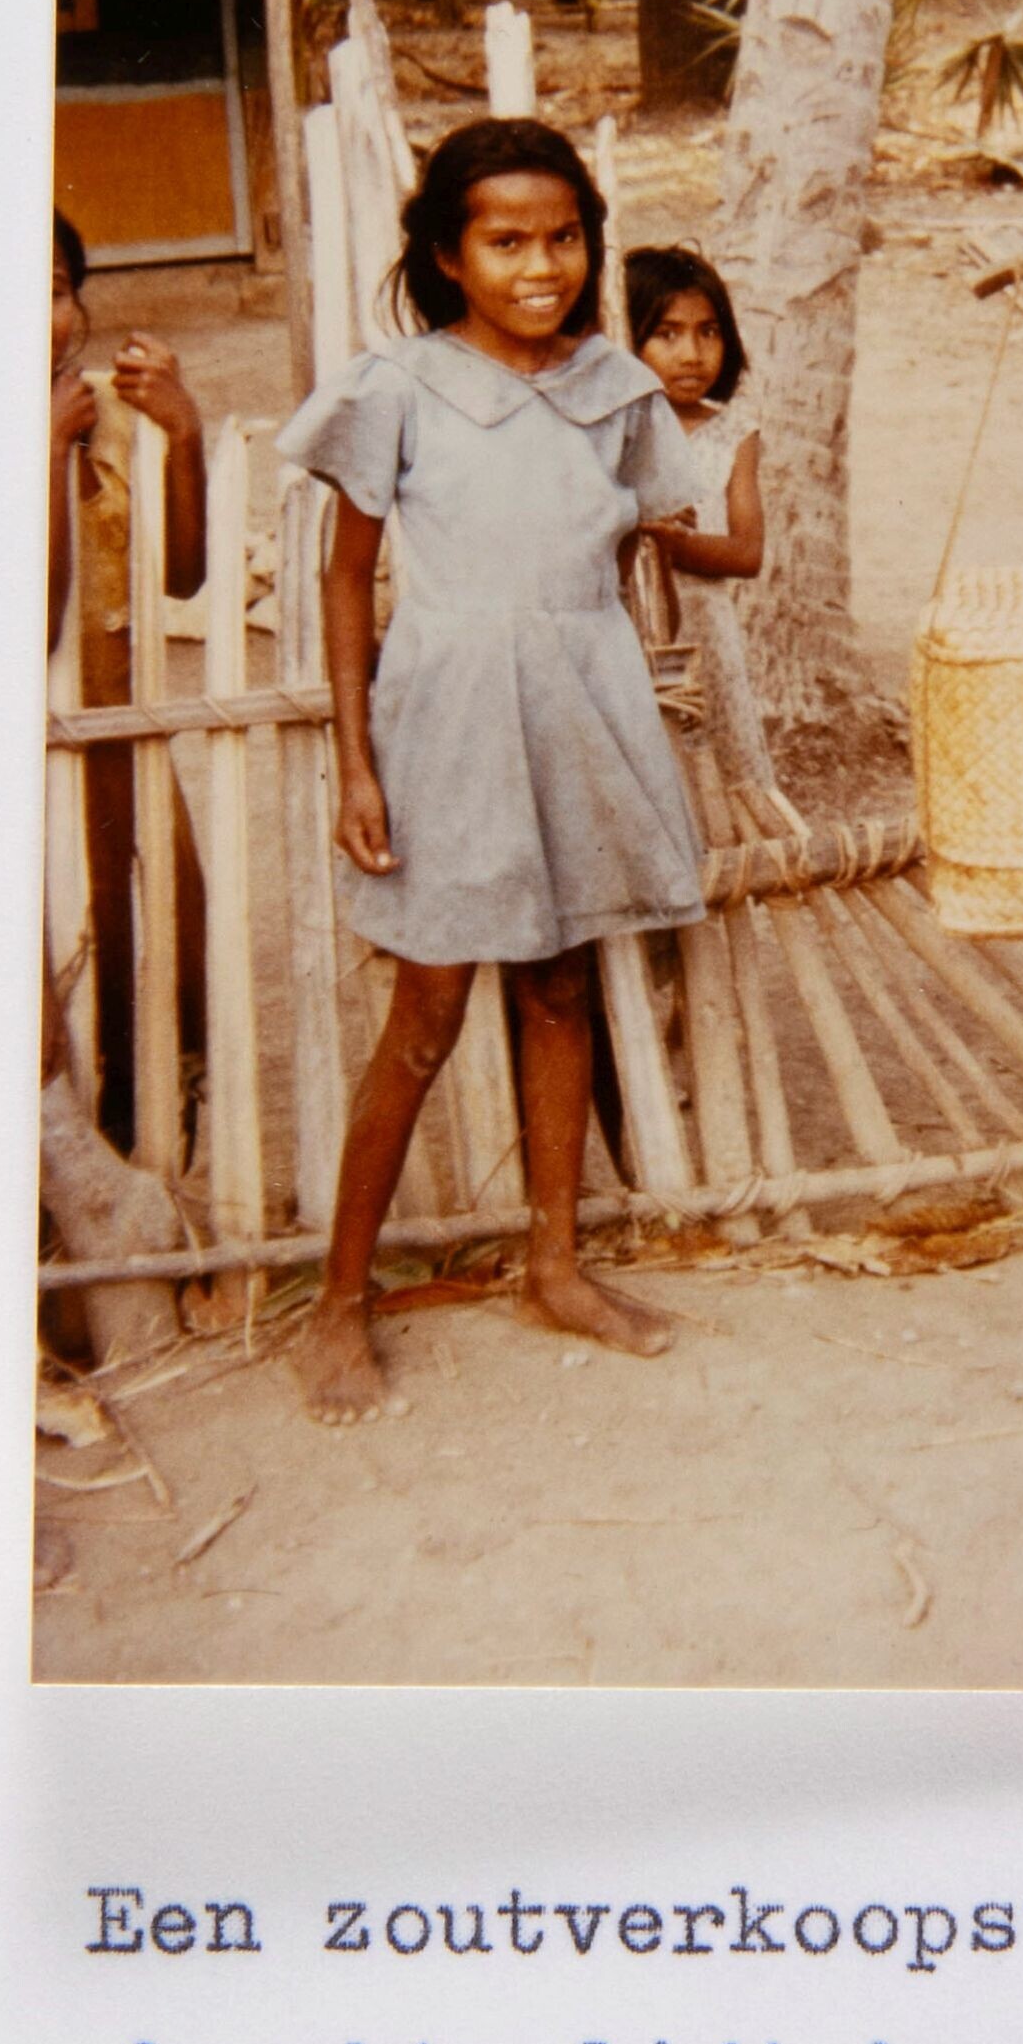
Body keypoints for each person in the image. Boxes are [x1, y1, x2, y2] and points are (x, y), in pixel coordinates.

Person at [276, 118, 704, 1424]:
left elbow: (619, 550)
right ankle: (337, 1301)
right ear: (449, 257)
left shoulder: (617, 391)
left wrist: (579, 668)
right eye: (506, 241)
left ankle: (553, 1268)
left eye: (563, 237)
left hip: (579, 702)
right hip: (449, 714)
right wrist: (358, 763)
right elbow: (347, 580)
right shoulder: (397, 388)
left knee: (562, 983)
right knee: (427, 1011)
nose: (542, 266)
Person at [45, 211, 207, 1164]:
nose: (44, 318)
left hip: (126, 741)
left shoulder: (105, 419)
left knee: (153, 953)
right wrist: (44, 454)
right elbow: (37, 622)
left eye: (56, 291)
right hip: (42, 764)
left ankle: (151, 1165)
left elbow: (180, 579)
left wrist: (183, 436)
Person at [621, 245, 766, 596]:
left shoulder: (733, 434)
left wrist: (673, 544)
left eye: (708, 332)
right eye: (667, 334)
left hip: (704, 622)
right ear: (627, 337)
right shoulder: (611, 428)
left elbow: (747, 554)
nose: (692, 355)